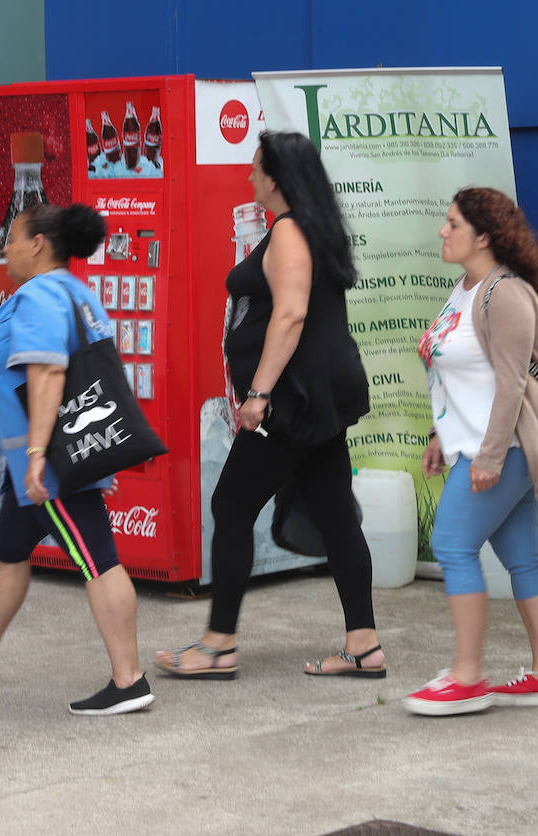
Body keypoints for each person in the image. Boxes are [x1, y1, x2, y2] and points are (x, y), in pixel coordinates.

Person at [154, 130, 381, 680]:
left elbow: (291, 314)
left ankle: (218, 645)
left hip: (292, 401)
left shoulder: (287, 232)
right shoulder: (312, 229)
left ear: (276, 180)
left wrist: (258, 394)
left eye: (256, 169)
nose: (248, 177)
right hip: (318, 397)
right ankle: (365, 646)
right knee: (334, 514)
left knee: (231, 505)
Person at [0, 202, 153, 716]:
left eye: (11, 237)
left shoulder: (38, 297)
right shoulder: (76, 292)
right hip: (37, 458)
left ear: (37, 244)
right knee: (6, 552)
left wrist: (37, 458)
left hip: (48, 461)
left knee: (98, 560)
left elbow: (49, 374)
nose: (4, 247)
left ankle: (130, 679)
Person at [401, 188, 538, 717]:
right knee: (523, 557)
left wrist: (490, 457)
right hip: (477, 445)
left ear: (485, 236)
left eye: (452, 224)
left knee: (451, 543)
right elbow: (457, 373)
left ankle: (468, 676)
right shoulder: (465, 289)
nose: (443, 232)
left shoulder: (507, 294)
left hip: (503, 448)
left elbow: (512, 385)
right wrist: (438, 435)